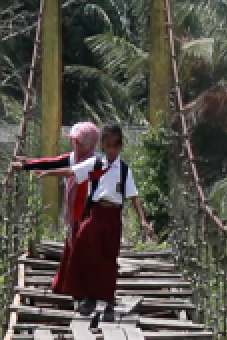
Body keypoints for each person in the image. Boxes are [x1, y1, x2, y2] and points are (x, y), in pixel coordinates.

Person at [36, 124, 155, 322]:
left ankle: (108, 303)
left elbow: (134, 197)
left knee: (109, 261)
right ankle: (88, 297)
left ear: (121, 146)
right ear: (103, 145)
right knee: (83, 247)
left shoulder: (124, 170)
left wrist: (143, 220)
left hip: (113, 218)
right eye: (108, 146)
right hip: (96, 214)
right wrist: (47, 173)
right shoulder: (95, 163)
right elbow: (72, 172)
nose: (111, 150)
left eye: (115, 146)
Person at [11, 121, 102, 301]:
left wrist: (40, 170)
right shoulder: (73, 157)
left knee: (84, 250)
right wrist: (28, 164)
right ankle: (70, 288)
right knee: (73, 247)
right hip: (75, 211)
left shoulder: (96, 161)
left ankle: (84, 290)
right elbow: (52, 162)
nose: (74, 144)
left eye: (79, 141)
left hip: (90, 211)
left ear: (89, 144)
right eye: (74, 141)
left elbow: (70, 172)